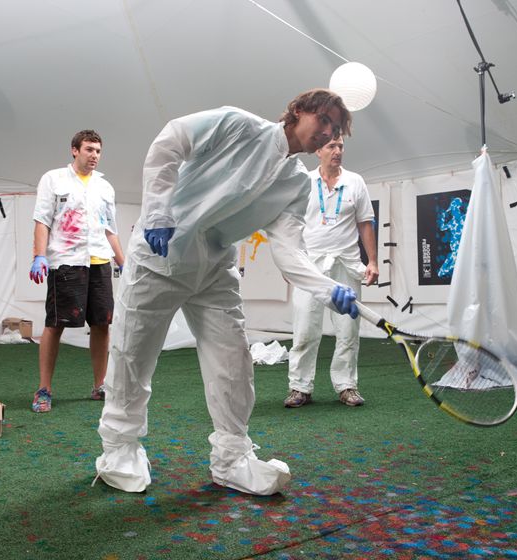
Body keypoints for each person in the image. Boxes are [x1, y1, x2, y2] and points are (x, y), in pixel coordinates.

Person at [94, 89, 358, 496]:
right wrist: (159, 211)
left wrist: (327, 288)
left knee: (233, 361)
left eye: (335, 129)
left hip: (215, 268)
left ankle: (232, 460)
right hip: (159, 256)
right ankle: (119, 449)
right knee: (133, 356)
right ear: (298, 110)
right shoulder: (238, 124)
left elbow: (289, 251)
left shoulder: (296, 185)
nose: (327, 133)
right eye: (323, 120)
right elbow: (170, 142)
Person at [29, 129, 126, 413]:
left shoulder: (105, 187)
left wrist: (123, 263)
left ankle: (100, 386)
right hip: (66, 262)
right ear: (75, 150)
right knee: (55, 324)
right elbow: (42, 221)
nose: (94, 155)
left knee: (102, 324)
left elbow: (110, 230)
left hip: (99, 261)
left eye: (98, 151)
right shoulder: (53, 179)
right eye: (89, 149)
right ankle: (44, 389)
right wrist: (39, 256)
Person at [285, 135, 378, 408]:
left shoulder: (355, 181)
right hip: (309, 266)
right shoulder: (304, 181)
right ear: (318, 150)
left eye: (341, 146)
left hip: (346, 264)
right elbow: (291, 224)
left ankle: (346, 385)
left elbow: (365, 223)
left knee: (348, 330)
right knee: (304, 329)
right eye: (331, 146)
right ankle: (300, 387)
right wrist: (289, 262)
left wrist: (372, 261)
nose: (337, 151)